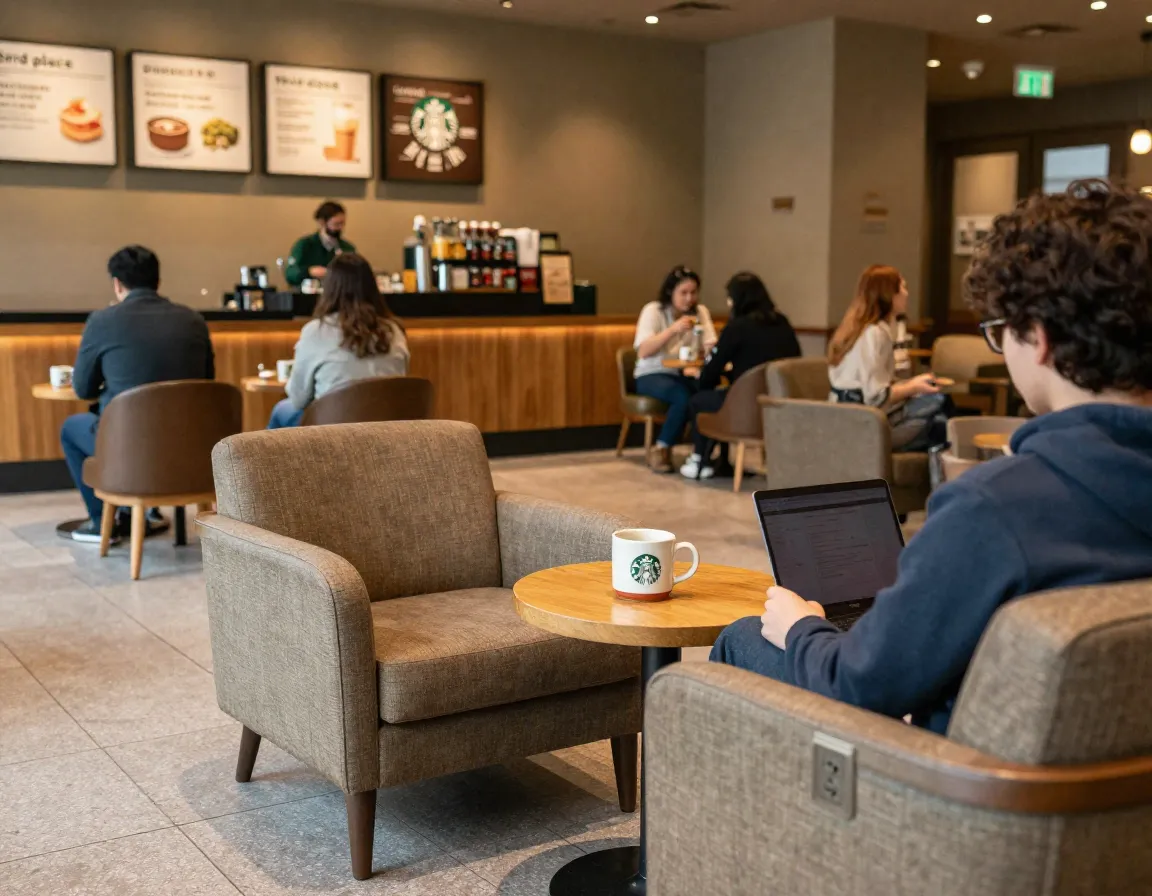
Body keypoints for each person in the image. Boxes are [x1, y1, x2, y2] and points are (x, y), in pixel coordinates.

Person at [709, 179, 1152, 734]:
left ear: (1038, 337)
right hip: (1113, 804)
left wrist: (802, 629)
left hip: (952, 797)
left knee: (745, 637)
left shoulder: (994, 511)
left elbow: (858, 685)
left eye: (1000, 333)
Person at [62, 246, 215, 544]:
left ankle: (105, 522)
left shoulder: (102, 322)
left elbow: (83, 389)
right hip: (192, 450)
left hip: (129, 448)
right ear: (158, 282)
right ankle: (145, 513)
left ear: (117, 284)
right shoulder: (194, 320)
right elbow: (206, 381)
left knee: (71, 428)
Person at [680, 272, 801, 480]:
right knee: (724, 396)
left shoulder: (737, 327)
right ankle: (722, 462)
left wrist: (703, 377)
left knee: (700, 400)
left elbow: (711, 372)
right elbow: (794, 360)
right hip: (778, 407)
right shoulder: (782, 323)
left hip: (744, 408)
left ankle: (701, 459)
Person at [268, 253, 409, 428]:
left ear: (329, 288)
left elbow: (298, 398)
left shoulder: (315, 331)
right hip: (386, 430)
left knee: (282, 410)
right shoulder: (394, 331)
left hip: (331, 432)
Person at [827, 265, 948, 452]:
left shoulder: (855, 329)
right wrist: (913, 387)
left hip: (840, 418)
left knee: (936, 418)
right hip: (862, 425)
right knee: (939, 405)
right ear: (888, 295)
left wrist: (911, 385)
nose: (907, 294)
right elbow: (876, 396)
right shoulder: (876, 334)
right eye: (902, 288)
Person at [632, 266, 717, 473]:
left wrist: (709, 349)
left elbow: (710, 343)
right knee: (682, 396)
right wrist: (672, 330)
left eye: (693, 292)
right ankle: (661, 448)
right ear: (671, 292)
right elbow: (643, 351)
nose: (689, 298)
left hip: (683, 372)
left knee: (706, 395)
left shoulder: (700, 312)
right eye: (684, 293)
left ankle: (701, 454)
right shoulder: (653, 311)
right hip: (651, 373)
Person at [284, 200, 356, 288]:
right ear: (322, 222)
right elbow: (290, 274)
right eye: (336, 224)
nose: (341, 228)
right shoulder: (305, 245)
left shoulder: (347, 248)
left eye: (343, 224)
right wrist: (309, 271)